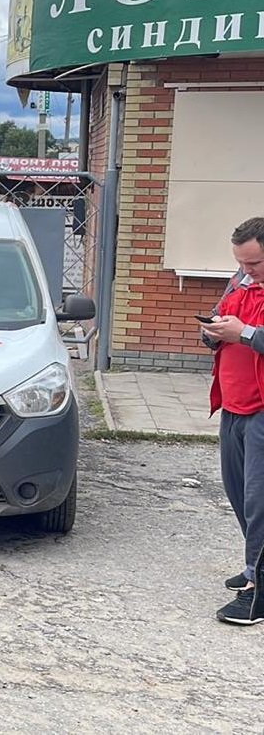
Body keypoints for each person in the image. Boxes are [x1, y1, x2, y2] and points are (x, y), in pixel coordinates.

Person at [202, 216, 264, 626]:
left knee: (261, 502)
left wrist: (243, 333)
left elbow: (246, 332)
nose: (245, 271)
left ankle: (258, 593)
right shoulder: (238, 281)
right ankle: (254, 567)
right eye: (241, 263)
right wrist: (212, 332)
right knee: (239, 493)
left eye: (254, 264)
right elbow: (219, 317)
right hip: (234, 403)